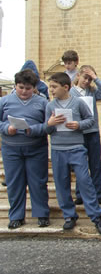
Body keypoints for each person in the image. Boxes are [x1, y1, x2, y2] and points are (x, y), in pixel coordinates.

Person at [45, 72, 101, 234]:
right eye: (50, 86)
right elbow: (48, 129)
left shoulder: (78, 103)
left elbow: (90, 120)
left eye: (54, 87)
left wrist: (78, 125)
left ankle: (96, 216)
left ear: (65, 87)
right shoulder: (50, 106)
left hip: (76, 148)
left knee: (85, 182)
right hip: (58, 150)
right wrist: (50, 123)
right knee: (61, 184)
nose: (51, 90)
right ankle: (69, 215)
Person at [0, 70, 50, 229]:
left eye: (28, 88)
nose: (24, 91)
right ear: (15, 85)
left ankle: (41, 213)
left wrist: (33, 129)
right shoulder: (4, 101)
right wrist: (7, 128)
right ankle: (16, 216)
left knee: (38, 182)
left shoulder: (42, 103)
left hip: (36, 149)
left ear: (34, 88)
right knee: (15, 183)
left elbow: (49, 125)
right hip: (11, 149)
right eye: (21, 87)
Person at [70, 65, 101, 206]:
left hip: (92, 132)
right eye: (85, 77)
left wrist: (96, 78)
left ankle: (98, 193)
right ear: (78, 76)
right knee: (80, 165)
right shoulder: (71, 92)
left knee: (95, 164)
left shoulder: (91, 92)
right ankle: (80, 193)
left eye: (89, 79)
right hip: (78, 133)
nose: (86, 81)